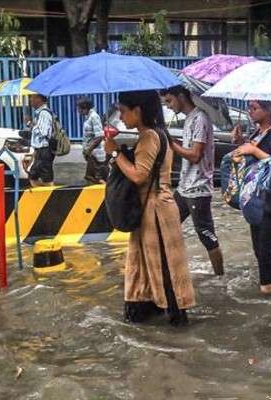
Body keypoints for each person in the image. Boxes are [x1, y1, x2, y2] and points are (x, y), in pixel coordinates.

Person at [104, 90, 195, 326]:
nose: (121, 117)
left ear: (138, 111)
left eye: (123, 111)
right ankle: (150, 312)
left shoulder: (149, 137)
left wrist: (114, 153)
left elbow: (139, 175)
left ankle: (176, 322)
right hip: (156, 208)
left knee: (165, 268)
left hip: (156, 211)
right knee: (145, 264)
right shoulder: (159, 134)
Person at [161, 85, 224, 276]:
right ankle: (170, 271)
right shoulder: (189, 119)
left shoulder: (200, 119)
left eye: (170, 101)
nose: (169, 106)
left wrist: (171, 144)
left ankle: (220, 277)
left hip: (198, 189)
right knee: (167, 227)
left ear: (181, 96)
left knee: (206, 235)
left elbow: (195, 155)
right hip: (183, 188)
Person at [231, 100, 271, 298]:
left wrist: (253, 150)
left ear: (269, 109)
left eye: (255, 108)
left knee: (267, 248)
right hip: (253, 198)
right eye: (249, 107)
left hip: (269, 198)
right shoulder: (257, 132)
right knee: (259, 247)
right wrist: (240, 142)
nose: (250, 111)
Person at [26, 94, 55, 187]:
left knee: (46, 178)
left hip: (44, 149)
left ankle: (51, 197)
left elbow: (44, 132)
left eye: (32, 97)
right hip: (39, 150)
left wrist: (30, 123)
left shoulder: (44, 113)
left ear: (39, 99)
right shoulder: (39, 114)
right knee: (33, 175)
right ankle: (42, 198)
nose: (30, 99)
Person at [78, 97, 108, 184]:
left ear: (84, 107)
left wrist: (88, 149)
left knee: (98, 179)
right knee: (91, 177)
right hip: (92, 154)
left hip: (96, 154)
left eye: (79, 108)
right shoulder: (88, 117)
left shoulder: (94, 117)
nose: (78, 110)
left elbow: (100, 136)